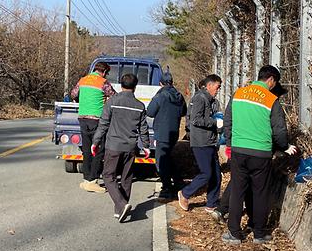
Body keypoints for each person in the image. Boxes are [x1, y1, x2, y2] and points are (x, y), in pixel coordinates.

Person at [222, 65, 297, 244]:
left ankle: (234, 233)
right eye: (275, 82)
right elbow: (279, 130)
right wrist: (284, 146)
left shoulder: (238, 94)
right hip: (261, 153)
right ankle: (259, 233)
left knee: (238, 192)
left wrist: (231, 144)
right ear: (271, 79)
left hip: (239, 150)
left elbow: (228, 121)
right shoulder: (271, 99)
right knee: (260, 193)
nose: (274, 86)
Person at [92, 73, 150, 223]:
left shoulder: (112, 101)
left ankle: (121, 204)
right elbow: (143, 128)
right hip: (130, 147)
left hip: (113, 145)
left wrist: (95, 142)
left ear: (120, 85)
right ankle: (119, 211)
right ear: (135, 87)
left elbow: (103, 123)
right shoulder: (139, 106)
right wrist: (146, 146)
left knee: (108, 175)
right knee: (126, 177)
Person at [178, 74, 223, 219]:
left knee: (216, 175)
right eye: (217, 87)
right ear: (209, 85)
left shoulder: (212, 101)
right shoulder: (200, 98)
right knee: (206, 173)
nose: (218, 90)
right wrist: (214, 122)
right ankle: (185, 193)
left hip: (210, 141)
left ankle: (211, 203)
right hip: (200, 142)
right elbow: (196, 119)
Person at [71, 61, 116, 193]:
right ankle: (93, 180)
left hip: (82, 118)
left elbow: (73, 94)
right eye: (106, 73)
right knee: (98, 150)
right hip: (97, 120)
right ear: (104, 72)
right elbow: (114, 97)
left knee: (86, 150)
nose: (106, 75)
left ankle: (86, 179)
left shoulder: (83, 80)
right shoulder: (103, 82)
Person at [147, 67, 187, 201]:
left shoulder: (160, 96)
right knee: (168, 157)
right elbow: (183, 112)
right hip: (174, 132)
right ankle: (179, 182)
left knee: (162, 161)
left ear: (161, 83)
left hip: (162, 132)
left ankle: (166, 189)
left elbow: (150, 112)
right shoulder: (179, 96)